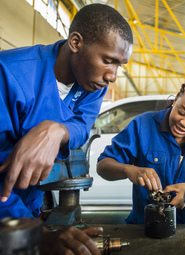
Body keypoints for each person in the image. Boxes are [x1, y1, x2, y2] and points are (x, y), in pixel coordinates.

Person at [0, 3, 132, 254]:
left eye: (119, 65)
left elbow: (83, 124)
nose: (112, 76)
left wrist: (55, 131)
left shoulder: (92, 83)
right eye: (108, 61)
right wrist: (35, 235)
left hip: (29, 207)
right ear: (75, 42)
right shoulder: (8, 75)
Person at [97, 75, 185, 225]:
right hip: (144, 229)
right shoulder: (142, 125)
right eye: (182, 112)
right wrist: (129, 169)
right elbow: (103, 166)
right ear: (175, 100)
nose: (184, 123)